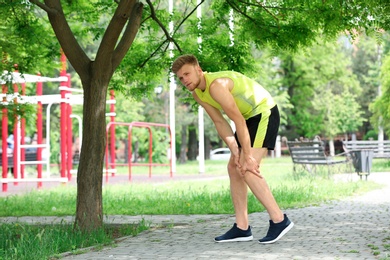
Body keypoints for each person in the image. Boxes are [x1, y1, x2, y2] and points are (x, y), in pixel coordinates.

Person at [172, 54, 294, 244]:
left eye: (187, 74)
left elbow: (237, 120)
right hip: (247, 119)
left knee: (246, 167)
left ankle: (279, 220)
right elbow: (219, 121)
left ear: (198, 69)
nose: (184, 80)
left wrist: (247, 155)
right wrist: (235, 149)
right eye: (180, 78)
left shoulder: (216, 86)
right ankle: (242, 228)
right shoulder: (198, 93)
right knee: (233, 168)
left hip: (263, 112)